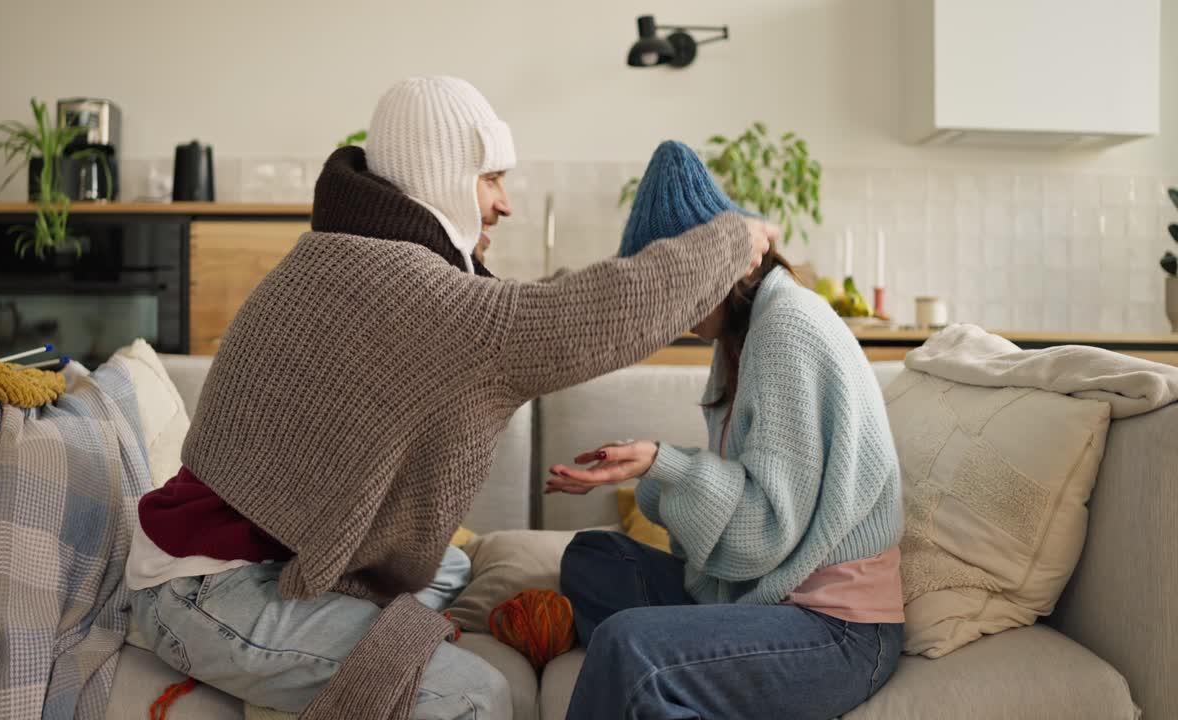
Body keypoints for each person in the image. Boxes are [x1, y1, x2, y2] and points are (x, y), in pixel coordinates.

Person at [124, 79, 775, 720]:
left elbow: (530, 312)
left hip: (248, 561)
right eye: (490, 179)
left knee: (450, 569)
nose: (504, 204)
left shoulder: (343, 256)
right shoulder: (409, 291)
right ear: (441, 178)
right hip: (208, 590)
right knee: (474, 694)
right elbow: (576, 317)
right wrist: (731, 242)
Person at [547, 141, 904, 720]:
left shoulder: (787, 328)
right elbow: (743, 504)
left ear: (719, 266)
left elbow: (762, 535)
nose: (670, 311)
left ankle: (663, 677)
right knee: (592, 557)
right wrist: (650, 469)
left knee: (626, 644)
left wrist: (662, 463)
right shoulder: (739, 337)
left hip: (836, 627)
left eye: (674, 287)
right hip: (764, 594)